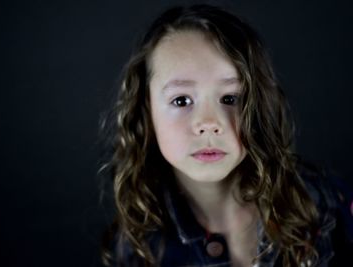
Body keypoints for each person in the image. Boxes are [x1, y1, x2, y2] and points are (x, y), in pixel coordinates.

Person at [99, 4, 353, 267]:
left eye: (230, 98)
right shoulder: (138, 247)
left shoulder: (324, 205)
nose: (209, 123)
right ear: (146, 110)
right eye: (182, 100)